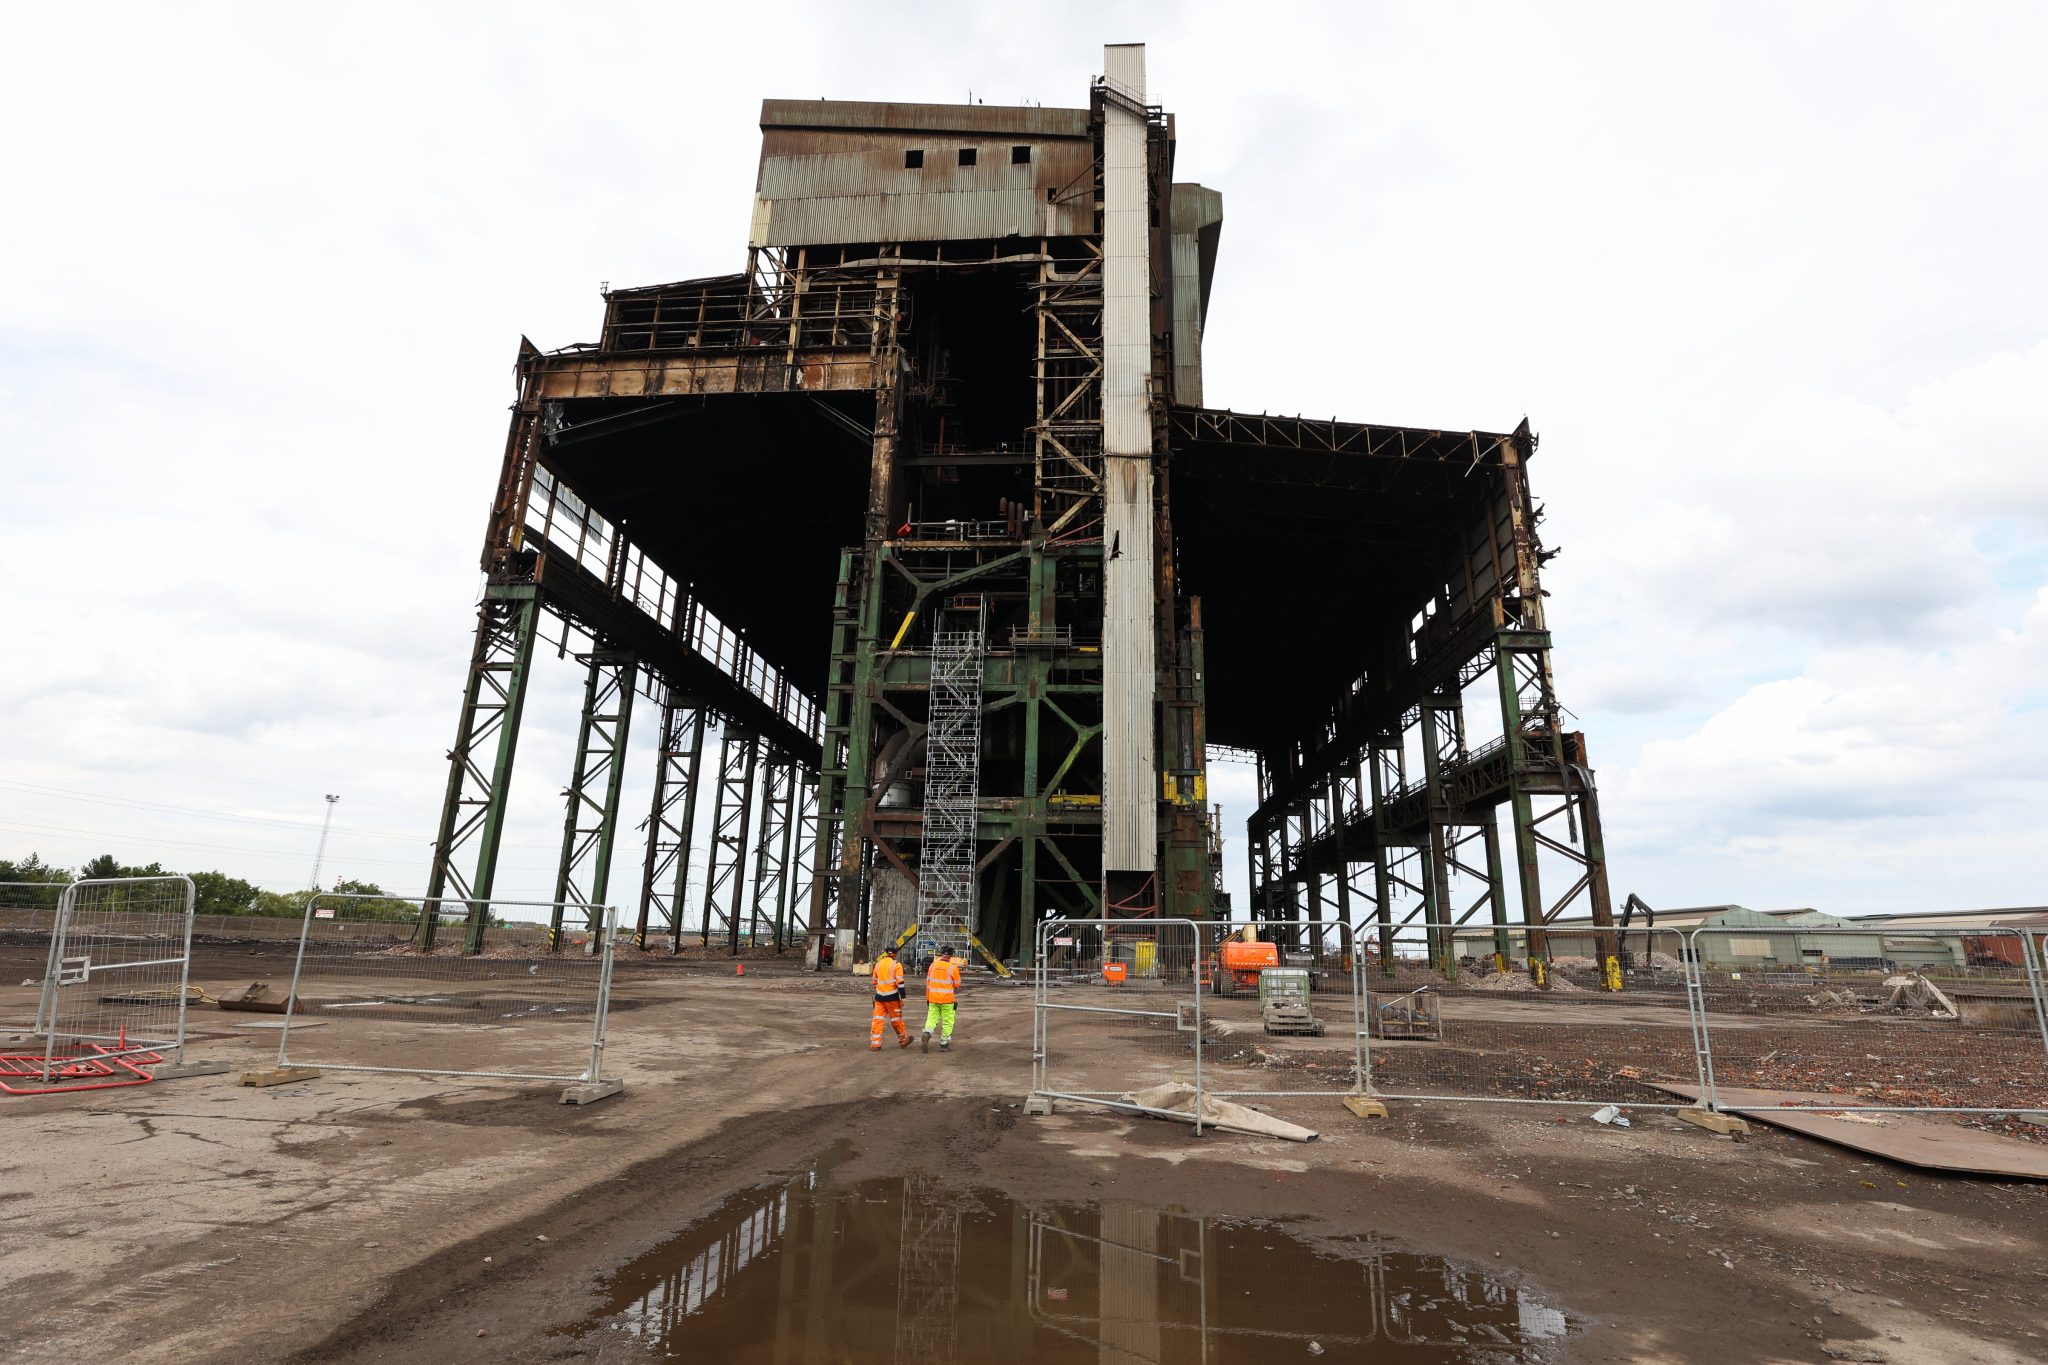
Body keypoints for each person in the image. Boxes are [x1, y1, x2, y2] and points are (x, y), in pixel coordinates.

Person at [922, 945, 963, 1052]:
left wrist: (928, 997)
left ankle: (927, 1033)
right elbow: (957, 984)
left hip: (933, 998)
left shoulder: (933, 966)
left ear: (941, 953)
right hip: (947, 1000)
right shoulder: (953, 968)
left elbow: (928, 982)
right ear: (951, 955)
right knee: (948, 1021)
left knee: (931, 1018)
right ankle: (943, 1044)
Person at [870, 947, 911, 1051]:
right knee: (896, 1020)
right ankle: (903, 1040)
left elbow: (874, 981)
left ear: (886, 952)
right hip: (892, 998)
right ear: (896, 953)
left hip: (879, 998)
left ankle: (875, 1044)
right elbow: (900, 983)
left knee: (877, 1020)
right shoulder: (897, 965)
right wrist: (903, 997)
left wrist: (880, 991)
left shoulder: (878, 964)